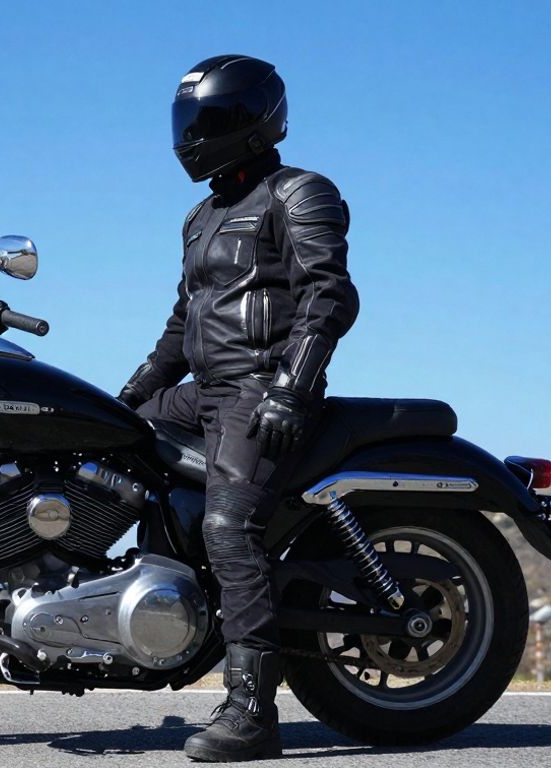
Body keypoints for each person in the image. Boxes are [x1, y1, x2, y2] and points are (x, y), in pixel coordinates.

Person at [118, 54, 359, 762]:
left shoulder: (300, 193)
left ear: (251, 122)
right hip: (203, 390)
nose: (192, 137)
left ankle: (253, 712)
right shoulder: (202, 215)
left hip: (261, 385)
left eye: (208, 122)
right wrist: (127, 399)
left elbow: (329, 295)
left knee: (230, 523)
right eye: (187, 122)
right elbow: (179, 324)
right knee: (100, 448)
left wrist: (292, 385)